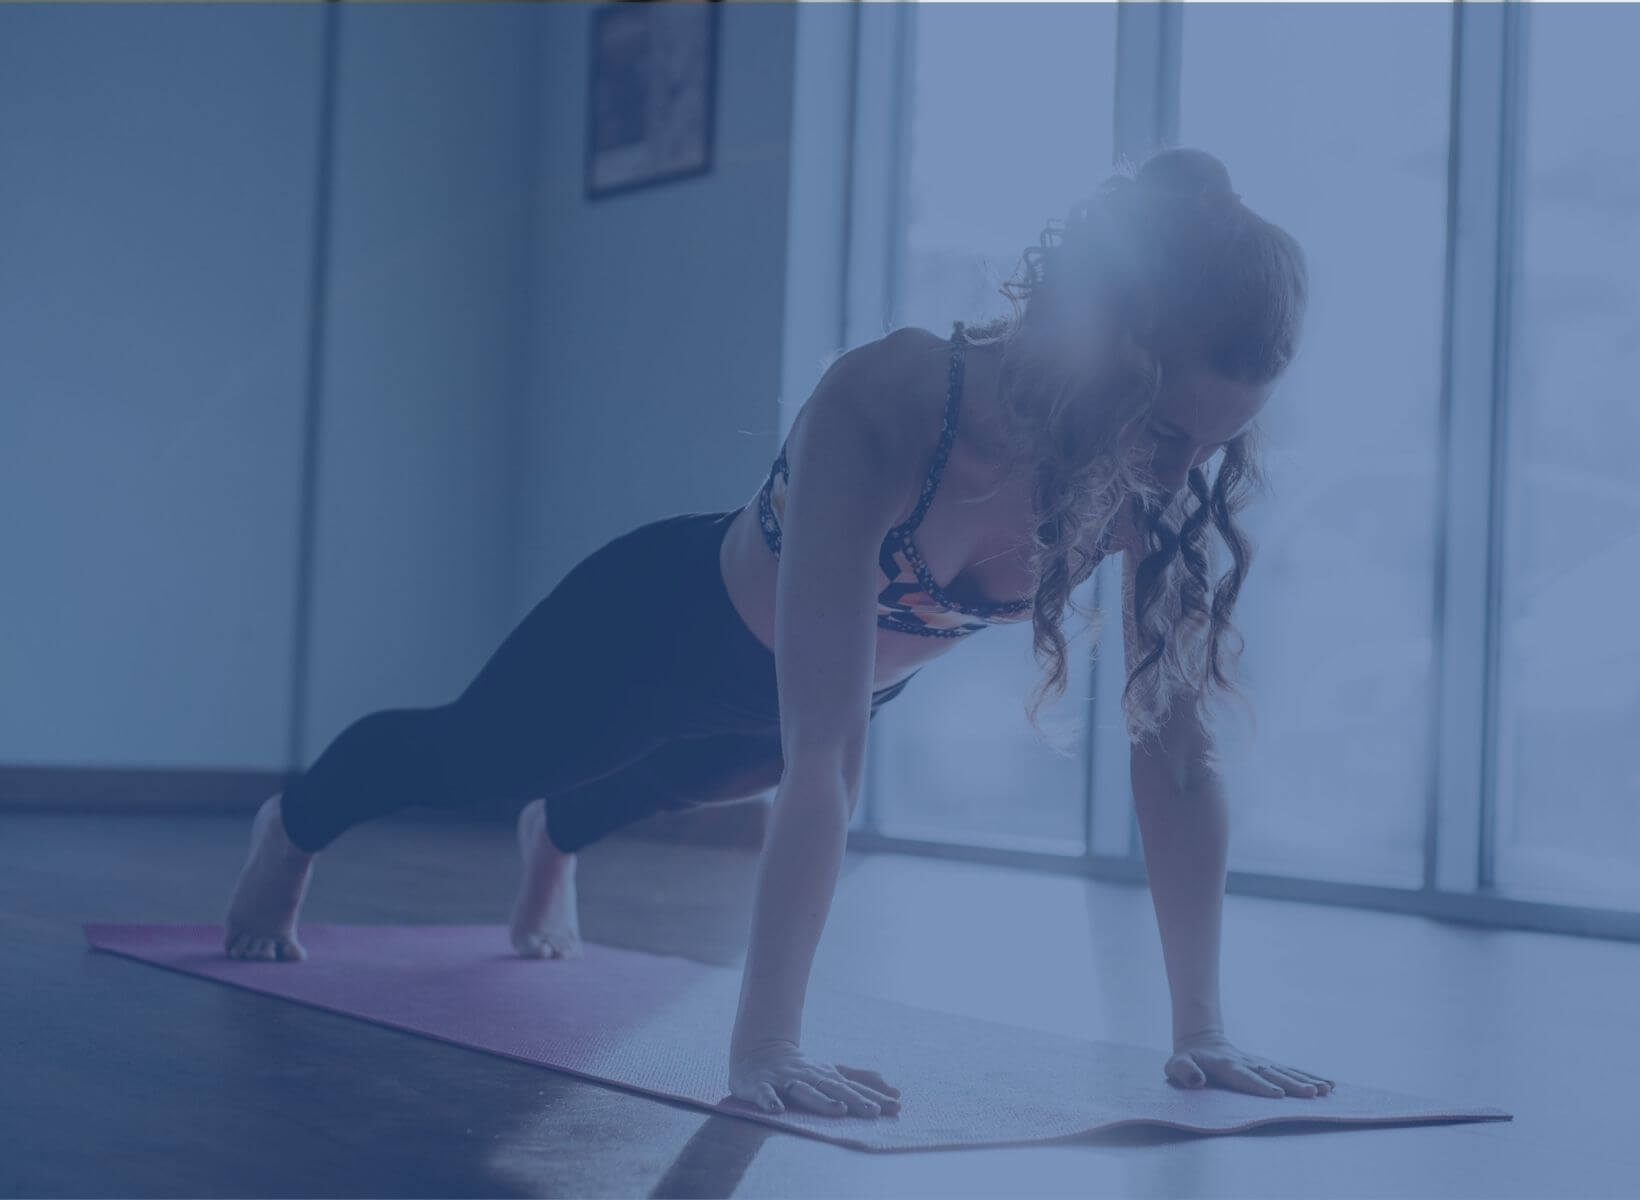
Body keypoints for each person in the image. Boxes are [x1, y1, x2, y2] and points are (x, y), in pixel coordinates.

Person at [222, 146, 1334, 1119]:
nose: (1179, 472)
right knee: (481, 757)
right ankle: (292, 828)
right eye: (1169, 428)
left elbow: (1177, 758)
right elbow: (827, 758)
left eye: (1212, 446)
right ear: (1111, 356)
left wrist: (1202, 1031)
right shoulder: (888, 399)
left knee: (678, 783)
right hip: (654, 627)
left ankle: (553, 841)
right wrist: (764, 1045)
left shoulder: (1135, 482)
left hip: (774, 714)